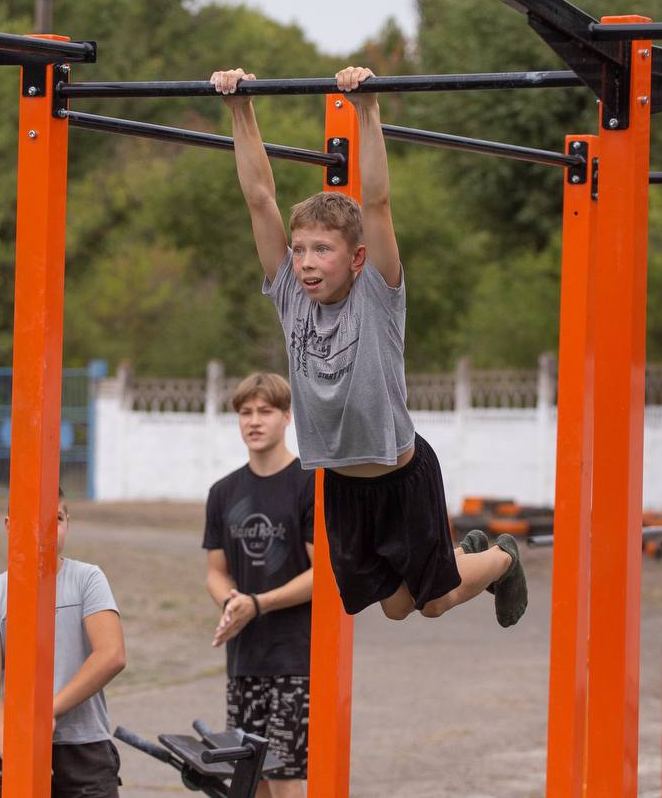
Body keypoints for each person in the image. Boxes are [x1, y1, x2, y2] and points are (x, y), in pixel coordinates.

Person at [211, 64, 527, 628]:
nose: (306, 263)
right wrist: (241, 106)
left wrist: (368, 108)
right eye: (301, 250)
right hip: (343, 488)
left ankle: (500, 558)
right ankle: (470, 554)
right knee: (397, 609)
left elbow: (376, 203)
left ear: (356, 259)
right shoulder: (291, 297)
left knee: (432, 604)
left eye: (322, 251)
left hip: (401, 476)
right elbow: (260, 199)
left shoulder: (376, 297)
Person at [0, 489, 127, 798]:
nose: (44, 529)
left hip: (86, 752)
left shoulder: (87, 579)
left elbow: (111, 655)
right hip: (18, 747)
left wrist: (46, 712)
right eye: (31, 520)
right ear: (9, 526)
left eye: (55, 519)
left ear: (68, 522)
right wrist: (12, 751)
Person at [204, 372, 314, 798]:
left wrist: (259, 603)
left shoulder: (309, 483)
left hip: (296, 660)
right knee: (251, 780)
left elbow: (322, 573)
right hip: (244, 659)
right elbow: (215, 570)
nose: (254, 421)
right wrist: (231, 601)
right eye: (245, 412)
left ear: (287, 416)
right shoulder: (222, 492)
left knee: (285, 777)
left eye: (265, 411)